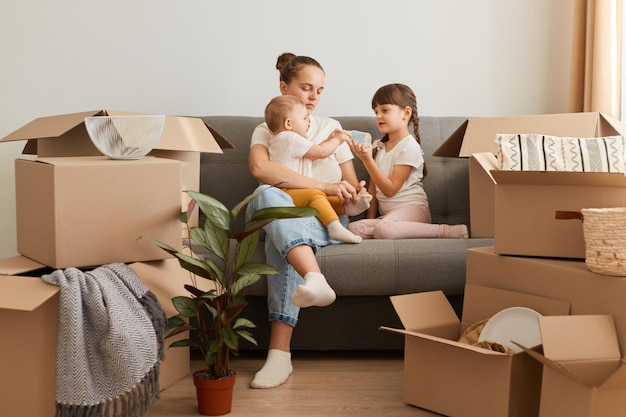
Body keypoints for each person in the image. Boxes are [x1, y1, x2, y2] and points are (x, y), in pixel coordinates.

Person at [246, 52, 369, 389]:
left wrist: (353, 197)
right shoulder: (268, 127)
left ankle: (279, 356)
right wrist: (322, 185)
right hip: (274, 211)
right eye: (306, 88)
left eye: (320, 90)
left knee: (284, 236)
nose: (314, 96)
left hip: (318, 219)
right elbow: (261, 170)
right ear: (284, 87)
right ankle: (314, 278)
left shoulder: (332, 129)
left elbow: (351, 186)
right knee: (266, 194)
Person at [348, 83, 469, 240]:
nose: (378, 116)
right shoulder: (379, 146)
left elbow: (390, 190)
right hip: (392, 218)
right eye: (376, 111)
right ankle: (384, 228)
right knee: (353, 228)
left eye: (384, 110)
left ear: (406, 113)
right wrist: (371, 219)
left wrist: (367, 160)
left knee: (384, 230)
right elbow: (373, 188)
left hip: (414, 211)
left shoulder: (409, 147)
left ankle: (444, 231)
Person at [264, 94, 362, 244]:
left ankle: (346, 207)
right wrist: (338, 140)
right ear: (289, 124)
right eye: (304, 119)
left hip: (292, 192)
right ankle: (334, 226)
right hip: (286, 192)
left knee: (321, 197)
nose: (308, 122)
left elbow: (312, 155)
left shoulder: (283, 140)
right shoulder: (290, 138)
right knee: (315, 195)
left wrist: (328, 141)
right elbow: (321, 152)